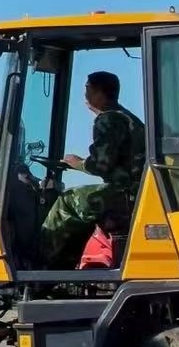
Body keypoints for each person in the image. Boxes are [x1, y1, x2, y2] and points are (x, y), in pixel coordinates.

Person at [41, 70, 146, 266]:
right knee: (84, 207)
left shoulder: (108, 119)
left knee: (68, 200)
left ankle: (43, 263)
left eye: (88, 89)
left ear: (100, 93)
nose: (85, 94)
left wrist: (77, 164)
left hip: (125, 195)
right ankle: (64, 263)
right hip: (135, 192)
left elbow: (101, 165)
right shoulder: (127, 118)